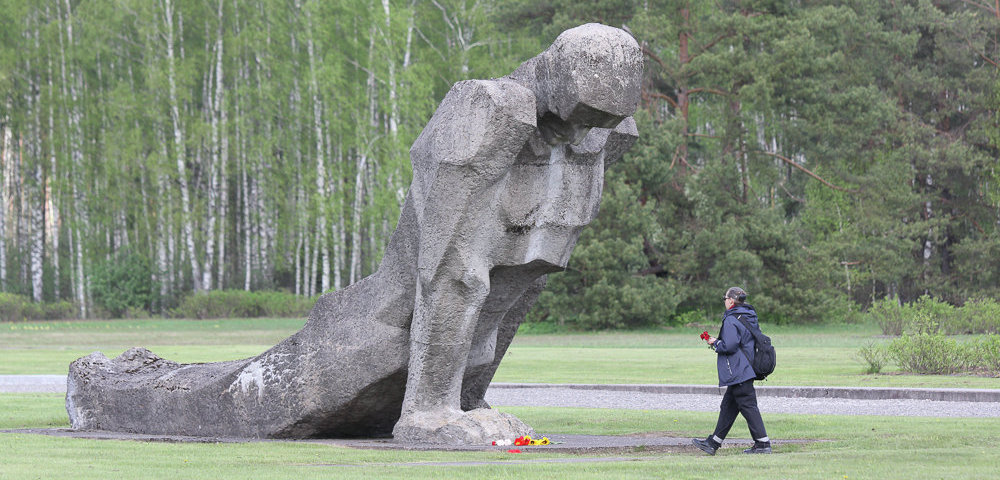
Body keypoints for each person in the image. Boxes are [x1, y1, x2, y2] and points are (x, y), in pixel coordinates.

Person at [692, 287, 772, 455]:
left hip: (738, 369)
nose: (724, 301)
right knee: (728, 406)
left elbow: (730, 345)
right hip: (746, 368)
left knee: (749, 406)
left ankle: (763, 444)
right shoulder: (748, 315)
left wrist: (714, 342)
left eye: (725, 298)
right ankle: (713, 443)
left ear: (730, 300)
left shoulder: (731, 319)